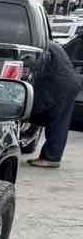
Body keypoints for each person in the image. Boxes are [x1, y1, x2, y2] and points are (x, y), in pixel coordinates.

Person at [27, 38, 83, 168]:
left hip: (60, 85)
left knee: (57, 122)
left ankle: (51, 158)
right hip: (68, 83)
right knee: (59, 121)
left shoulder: (38, 43)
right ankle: (50, 156)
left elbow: (36, 65)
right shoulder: (48, 42)